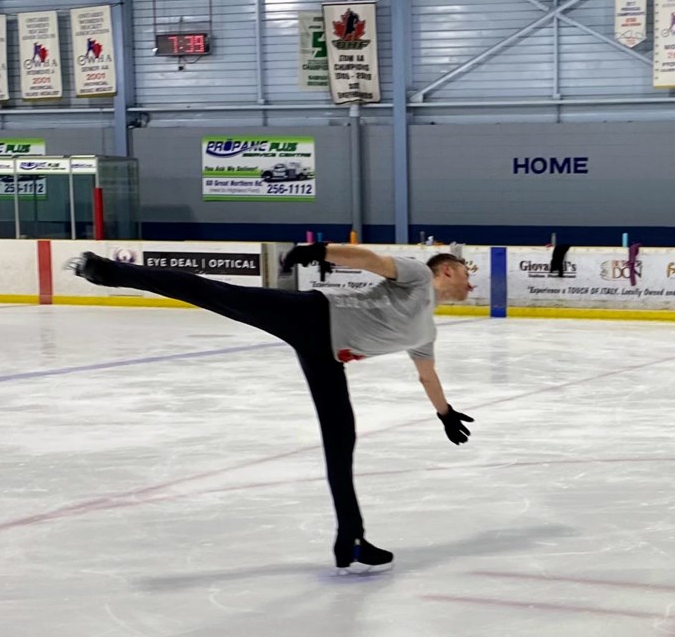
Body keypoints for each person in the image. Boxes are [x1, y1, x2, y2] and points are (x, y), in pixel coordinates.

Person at [73, 243, 475, 574]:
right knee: (219, 294)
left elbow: (427, 375)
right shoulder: (419, 276)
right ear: (447, 271)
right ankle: (106, 271)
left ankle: (350, 539)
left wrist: (445, 413)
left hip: (327, 355)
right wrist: (321, 251)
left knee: (342, 440)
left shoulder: (427, 329)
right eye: (466, 273)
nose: (471, 283)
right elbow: (372, 261)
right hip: (313, 315)